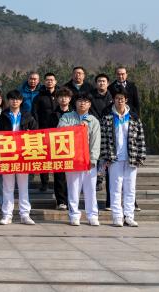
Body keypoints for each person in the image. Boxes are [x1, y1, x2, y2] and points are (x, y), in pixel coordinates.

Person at [100, 87, 146, 227]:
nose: (119, 101)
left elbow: (140, 138)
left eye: (122, 98)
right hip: (114, 158)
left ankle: (129, 216)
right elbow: (103, 139)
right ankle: (117, 217)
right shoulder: (107, 117)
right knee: (115, 188)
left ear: (126, 100)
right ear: (113, 100)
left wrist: (140, 157)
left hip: (131, 158)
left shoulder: (134, 117)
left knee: (130, 189)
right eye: (117, 98)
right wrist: (105, 157)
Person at [0, 89, 38, 225]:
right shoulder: (2, 117)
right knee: (7, 186)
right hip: (7, 155)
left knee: (23, 186)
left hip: (23, 155)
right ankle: (7, 214)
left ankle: (25, 214)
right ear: (8, 101)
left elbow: (36, 134)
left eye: (17, 99)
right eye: (12, 99)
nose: (15, 101)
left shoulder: (28, 117)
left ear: (21, 101)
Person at [58, 93, 101, 226]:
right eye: (80, 101)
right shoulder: (66, 117)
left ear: (90, 104)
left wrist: (93, 159)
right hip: (72, 159)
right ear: (75, 103)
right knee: (73, 188)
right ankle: (74, 215)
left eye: (86, 101)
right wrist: (77, 127)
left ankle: (92, 215)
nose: (82, 103)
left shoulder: (93, 120)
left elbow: (95, 141)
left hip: (88, 160)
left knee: (90, 190)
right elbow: (60, 131)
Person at [46, 88, 73, 210]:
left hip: (72, 148)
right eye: (61, 97)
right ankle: (61, 201)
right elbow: (48, 131)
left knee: (72, 177)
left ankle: (71, 200)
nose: (63, 99)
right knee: (59, 176)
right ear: (57, 99)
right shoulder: (52, 115)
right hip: (57, 148)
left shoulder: (75, 114)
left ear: (70, 99)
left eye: (66, 97)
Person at [32, 72, 58, 192]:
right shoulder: (38, 97)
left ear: (55, 82)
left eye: (52, 80)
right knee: (44, 157)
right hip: (43, 130)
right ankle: (44, 183)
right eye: (47, 80)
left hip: (58, 132)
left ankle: (59, 182)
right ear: (44, 82)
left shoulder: (60, 95)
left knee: (58, 157)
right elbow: (35, 114)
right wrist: (37, 129)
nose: (49, 82)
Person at [90, 73, 113, 192]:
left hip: (109, 129)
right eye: (99, 81)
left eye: (104, 81)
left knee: (105, 154)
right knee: (96, 154)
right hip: (94, 128)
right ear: (96, 83)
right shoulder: (91, 96)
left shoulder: (112, 96)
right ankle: (97, 180)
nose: (101, 83)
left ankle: (103, 177)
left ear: (108, 83)